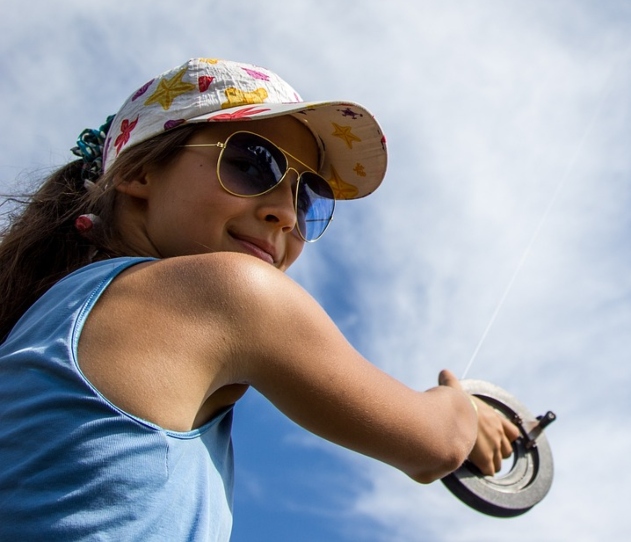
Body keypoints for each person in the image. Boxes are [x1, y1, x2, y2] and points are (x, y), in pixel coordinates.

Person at [0, 58, 519, 539]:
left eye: (307, 197)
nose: (286, 215)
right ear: (139, 173)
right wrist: (463, 409)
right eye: (253, 162)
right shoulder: (227, 291)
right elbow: (437, 444)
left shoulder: (49, 316)